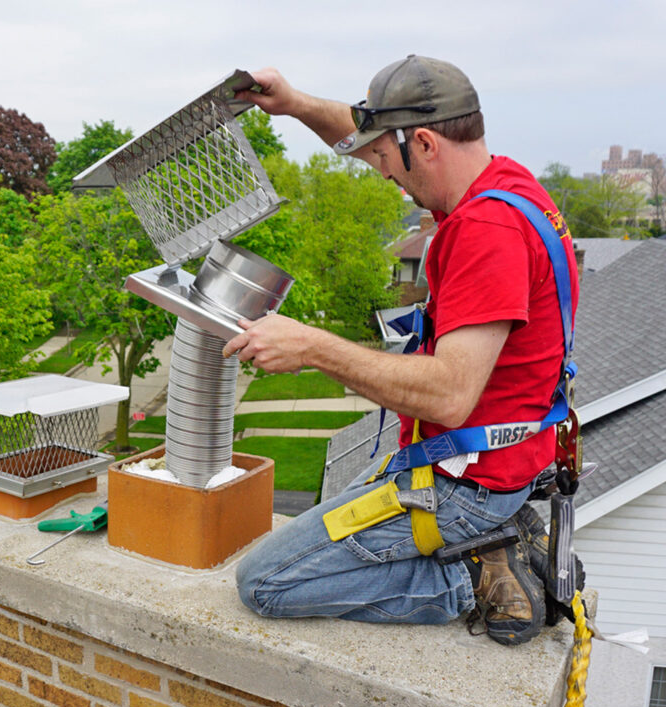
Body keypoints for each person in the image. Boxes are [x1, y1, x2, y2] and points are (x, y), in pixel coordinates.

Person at [222, 55, 580, 645]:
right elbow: (367, 136)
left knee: (265, 582)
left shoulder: (487, 234)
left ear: (425, 143)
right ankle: (487, 539)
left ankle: (473, 575)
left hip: (466, 486)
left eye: (384, 158)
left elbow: (451, 392)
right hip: (482, 458)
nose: (380, 171)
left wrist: (312, 346)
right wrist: (296, 103)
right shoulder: (503, 185)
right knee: (340, 506)